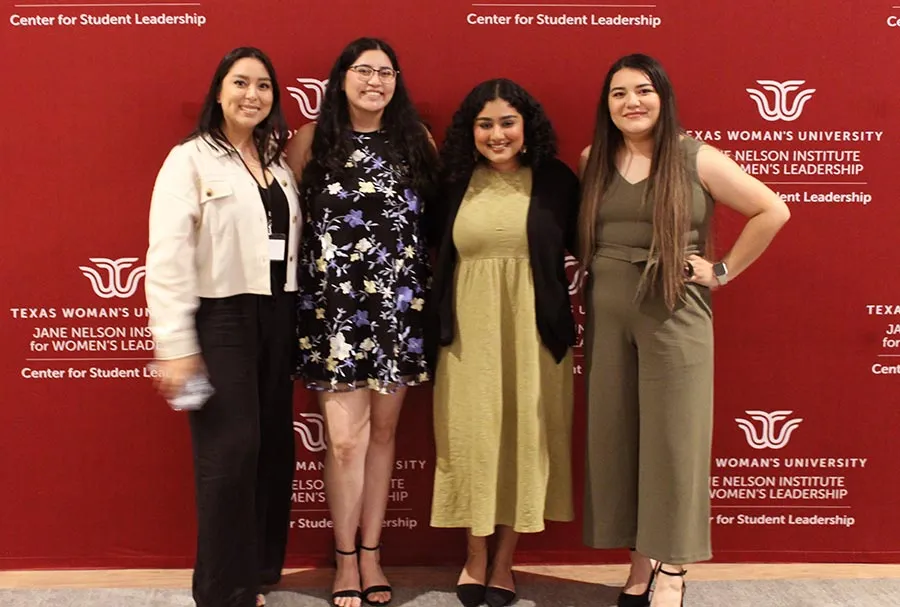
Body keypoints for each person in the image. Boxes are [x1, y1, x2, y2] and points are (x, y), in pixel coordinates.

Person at [578, 53, 791, 607]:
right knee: (618, 438)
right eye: (619, 92)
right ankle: (638, 562)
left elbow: (773, 210)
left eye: (643, 90)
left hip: (674, 312)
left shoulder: (696, 157)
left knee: (675, 440)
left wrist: (721, 271)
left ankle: (672, 568)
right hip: (606, 315)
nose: (632, 102)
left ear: (663, 97)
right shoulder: (592, 160)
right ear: (607, 105)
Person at [285, 37, 438, 607]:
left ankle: (373, 554)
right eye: (363, 70)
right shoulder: (310, 142)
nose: (375, 80)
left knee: (384, 436)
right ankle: (344, 558)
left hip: (397, 311)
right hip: (335, 317)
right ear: (341, 78)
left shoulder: (415, 141)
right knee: (345, 442)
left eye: (386, 71)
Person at [145, 47, 300, 607]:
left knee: (270, 450)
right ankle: (222, 592)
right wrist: (177, 345)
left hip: (277, 315)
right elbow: (166, 259)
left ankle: (256, 570)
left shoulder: (278, 164)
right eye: (240, 83)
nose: (252, 95)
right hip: (221, 317)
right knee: (230, 454)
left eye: (263, 86)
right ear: (218, 91)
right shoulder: (188, 160)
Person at [429, 78, 579, 607]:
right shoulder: (451, 182)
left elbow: (594, 244)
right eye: (485, 123)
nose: (497, 134)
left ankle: (503, 561)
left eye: (507, 122)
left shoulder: (558, 180)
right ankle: (473, 555)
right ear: (470, 131)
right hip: (466, 335)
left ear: (526, 126)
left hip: (533, 333)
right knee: (470, 439)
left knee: (523, 439)